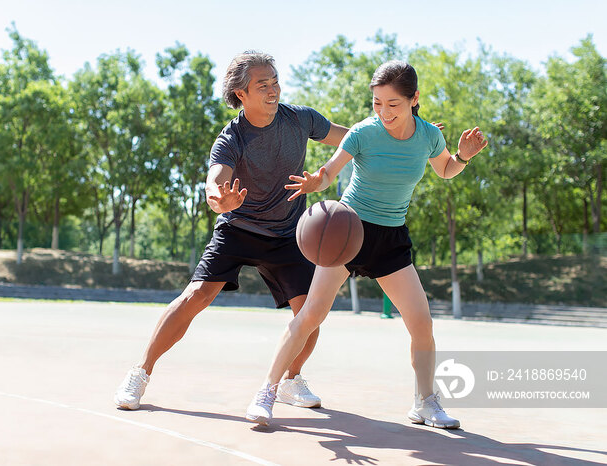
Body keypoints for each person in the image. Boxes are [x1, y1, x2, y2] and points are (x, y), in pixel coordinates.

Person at [245, 60, 488, 428]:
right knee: (311, 314)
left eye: (393, 104)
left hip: (391, 237)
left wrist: (463, 157)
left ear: (414, 99)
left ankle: (425, 402)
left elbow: (445, 169)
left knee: (421, 322)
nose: (384, 112)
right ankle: (267, 390)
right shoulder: (362, 132)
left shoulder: (428, 136)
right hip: (348, 231)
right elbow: (329, 171)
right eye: (377, 103)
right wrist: (316, 181)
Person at [114, 51, 349, 410]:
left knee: (311, 313)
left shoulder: (301, 120)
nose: (273, 90)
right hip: (238, 228)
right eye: (263, 85)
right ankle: (140, 372)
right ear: (242, 94)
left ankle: (291, 379)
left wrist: (399, 131)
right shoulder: (231, 139)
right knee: (197, 296)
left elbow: (353, 139)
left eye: (275, 81)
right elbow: (215, 180)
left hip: (287, 233)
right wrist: (219, 200)